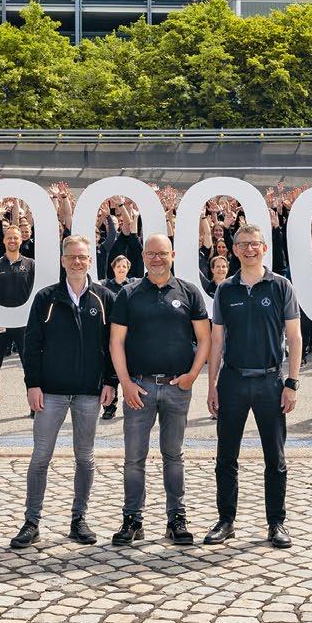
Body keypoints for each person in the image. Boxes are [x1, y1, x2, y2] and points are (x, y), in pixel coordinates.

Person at [9, 235, 117, 549]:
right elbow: (32, 344)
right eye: (71, 257)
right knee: (40, 458)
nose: (77, 262)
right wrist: (32, 384)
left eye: (82, 257)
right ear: (62, 260)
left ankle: (78, 519)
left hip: (88, 392)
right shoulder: (46, 298)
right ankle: (32, 522)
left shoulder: (104, 298)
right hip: (51, 392)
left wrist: (111, 382)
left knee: (85, 458)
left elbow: (113, 345)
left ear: (89, 261)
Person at [108, 233, 210, 547]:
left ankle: (176, 519)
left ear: (172, 255)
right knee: (133, 458)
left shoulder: (189, 292)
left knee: (173, 456)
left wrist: (193, 375)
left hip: (177, 388)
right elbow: (116, 342)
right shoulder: (128, 294)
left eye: (162, 253)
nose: (156, 259)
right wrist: (125, 383)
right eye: (151, 253)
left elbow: (205, 338)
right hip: (139, 388)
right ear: (143, 256)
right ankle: (132, 519)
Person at [206, 224, 301, 549]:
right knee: (225, 456)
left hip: (270, 382)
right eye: (243, 244)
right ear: (234, 250)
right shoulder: (225, 290)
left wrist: (292, 383)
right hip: (232, 381)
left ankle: (276, 523)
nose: (249, 249)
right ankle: (226, 521)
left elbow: (295, 337)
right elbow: (216, 340)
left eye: (254, 244)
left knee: (275, 458)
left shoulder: (281, 286)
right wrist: (212, 384)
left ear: (264, 248)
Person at [0, 225, 37, 420]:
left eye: (15, 237)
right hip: (0, 322)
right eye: (9, 237)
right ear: (4, 240)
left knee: (29, 366)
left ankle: (35, 406)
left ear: (21, 240)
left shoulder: (30, 264)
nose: (12, 240)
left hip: (24, 324)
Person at [98, 252, 137, 420]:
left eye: (124, 266)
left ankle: (131, 402)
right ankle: (109, 406)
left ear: (128, 269)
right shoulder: (104, 285)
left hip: (130, 333)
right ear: (113, 268)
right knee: (110, 370)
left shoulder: (134, 285)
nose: (121, 269)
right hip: (110, 331)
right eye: (118, 266)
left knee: (130, 370)